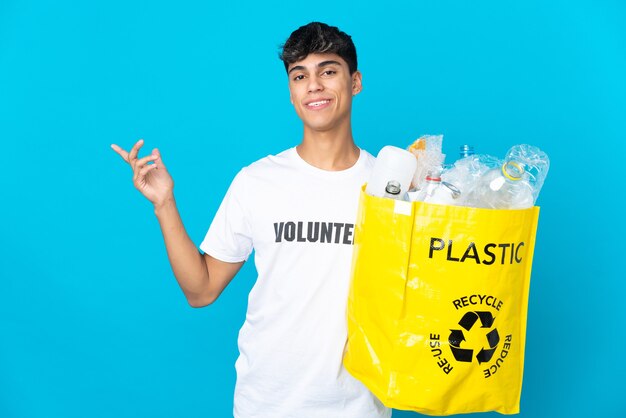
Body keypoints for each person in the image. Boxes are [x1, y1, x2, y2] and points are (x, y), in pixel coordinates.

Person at [111, 22, 391, 418]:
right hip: (266, 405)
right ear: (292, 92)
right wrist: (164, 203)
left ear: (355, 81)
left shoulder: (393, 189)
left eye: (328, 71)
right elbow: (201, 290)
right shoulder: (258, 181)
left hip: (359, 407)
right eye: (300, 75)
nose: (313, 85)